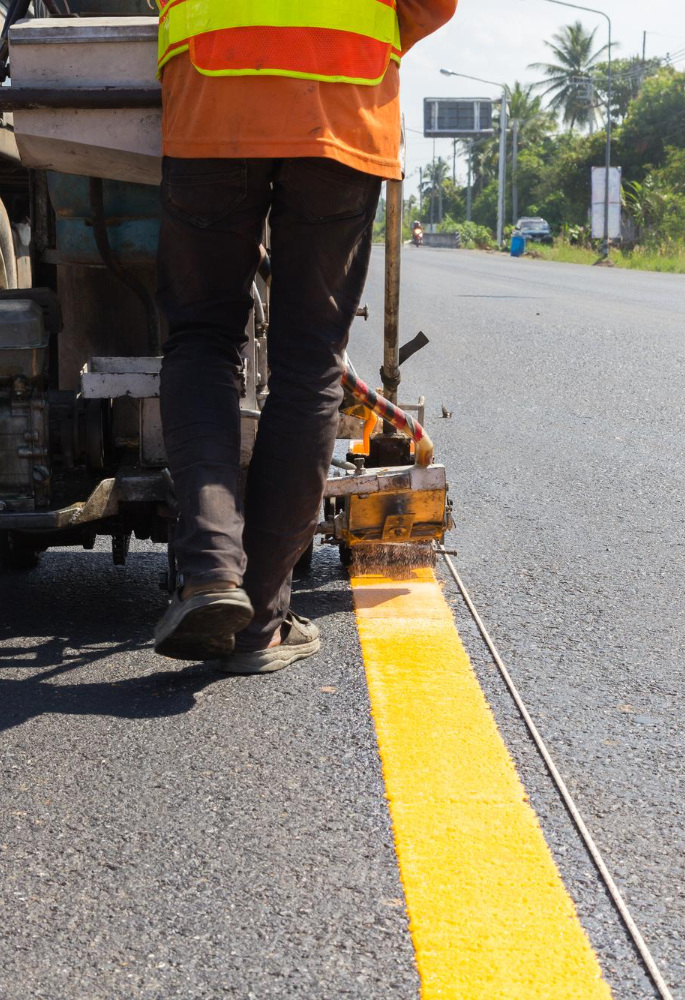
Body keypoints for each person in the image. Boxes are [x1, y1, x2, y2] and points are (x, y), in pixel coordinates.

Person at [150, 0, 457, 674]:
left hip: (213, 93)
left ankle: (210, 573)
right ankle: (259, 622)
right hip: (343, 103)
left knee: (202, 341)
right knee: (309, 362)